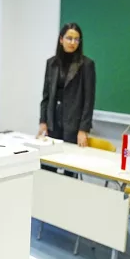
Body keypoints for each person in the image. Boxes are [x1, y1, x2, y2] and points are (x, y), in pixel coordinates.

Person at [37, 22, 96, 177]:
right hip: (53, 121)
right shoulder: (52, 63)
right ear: (61, 39)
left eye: (77, 39)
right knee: (48, 168)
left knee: (70, 169)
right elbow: (46, 95)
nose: (73, 42)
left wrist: (83, 129)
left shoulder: (86, 65)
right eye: (69, 38)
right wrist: (43, 121)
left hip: (74, 124)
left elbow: (89, 100)